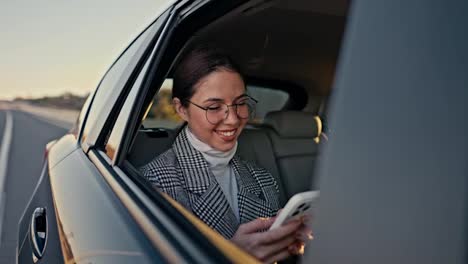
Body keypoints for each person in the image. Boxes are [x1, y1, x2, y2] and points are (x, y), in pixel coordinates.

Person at [140, 45, 310, 263]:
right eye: (213, 107)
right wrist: (230, 256)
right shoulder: (155, 185)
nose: (233, 119)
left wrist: (293, 243)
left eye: (240, 103)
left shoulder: (262, 179)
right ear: (181, 109)